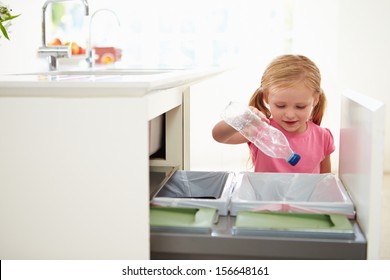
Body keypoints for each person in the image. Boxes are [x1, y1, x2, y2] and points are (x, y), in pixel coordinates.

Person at [212, 54, 335, 173]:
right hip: (264, 195)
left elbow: (325, 181)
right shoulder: (261, 130)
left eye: (300, 106)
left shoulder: (323, 137)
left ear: (315, 99)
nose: (290, 114)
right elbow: (219, 136)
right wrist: (244, 118)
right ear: (266, 97)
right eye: (280, 106)